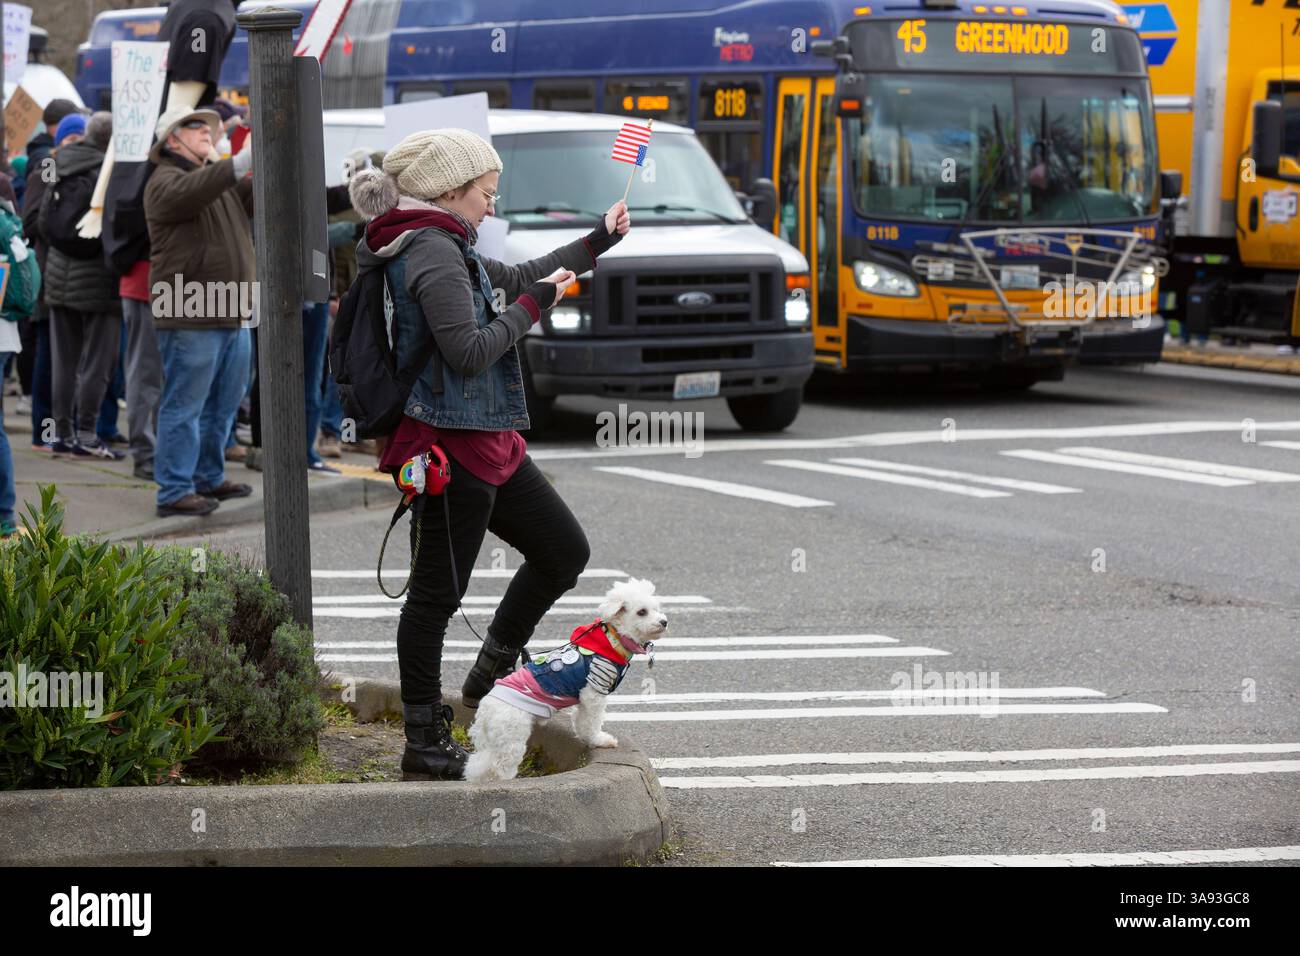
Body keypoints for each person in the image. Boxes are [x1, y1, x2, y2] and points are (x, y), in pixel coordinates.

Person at [347, 128, 630, 780]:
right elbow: (469, 349)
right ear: (451, 190)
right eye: (486, 193)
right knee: (434, 599)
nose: (492, 205)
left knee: (563, 551)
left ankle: (492, 670)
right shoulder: (431, 254)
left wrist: (597, 241)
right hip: (448, 446)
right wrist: (538, 304)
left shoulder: (450, 243)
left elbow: (518, 277)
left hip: (489, 438)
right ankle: (424, 740)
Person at [144, 105, 255, 517]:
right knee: (185, 406)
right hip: (190, 312)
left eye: (210, 127)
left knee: (223, 405)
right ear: (172, 139)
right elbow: (194, 191)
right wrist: (234, 164)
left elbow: (259, 190)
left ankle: (208, 476)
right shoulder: (164, 181)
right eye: (196, 127)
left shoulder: (212, 180)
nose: (208, 131)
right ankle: (173, 490)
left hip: (229, 310)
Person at [40, 112, 124, 460]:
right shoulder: (111, 171)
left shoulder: (58, 162)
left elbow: (43, 220)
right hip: (99, 278)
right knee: (97, 363)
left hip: (59, 275)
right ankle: (88, 435)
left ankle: (60, 433)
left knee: (64, 360)